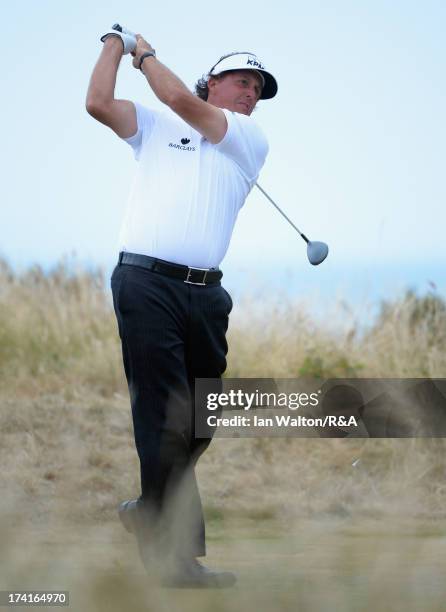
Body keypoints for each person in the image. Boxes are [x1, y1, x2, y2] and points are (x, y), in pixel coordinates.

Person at [86, 27, 278, 588]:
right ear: (214, 81)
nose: (251, 93)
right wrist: (114, 45)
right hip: (145, 284)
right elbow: (97, 103)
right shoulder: (155, 124)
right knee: (164, 417)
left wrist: (144, 54)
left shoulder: (246, 136)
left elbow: (177, 98)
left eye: (258, 87)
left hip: (206, 295)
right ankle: (175, 563)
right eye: (242, 81)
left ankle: (150, 510)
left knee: (199, 417)